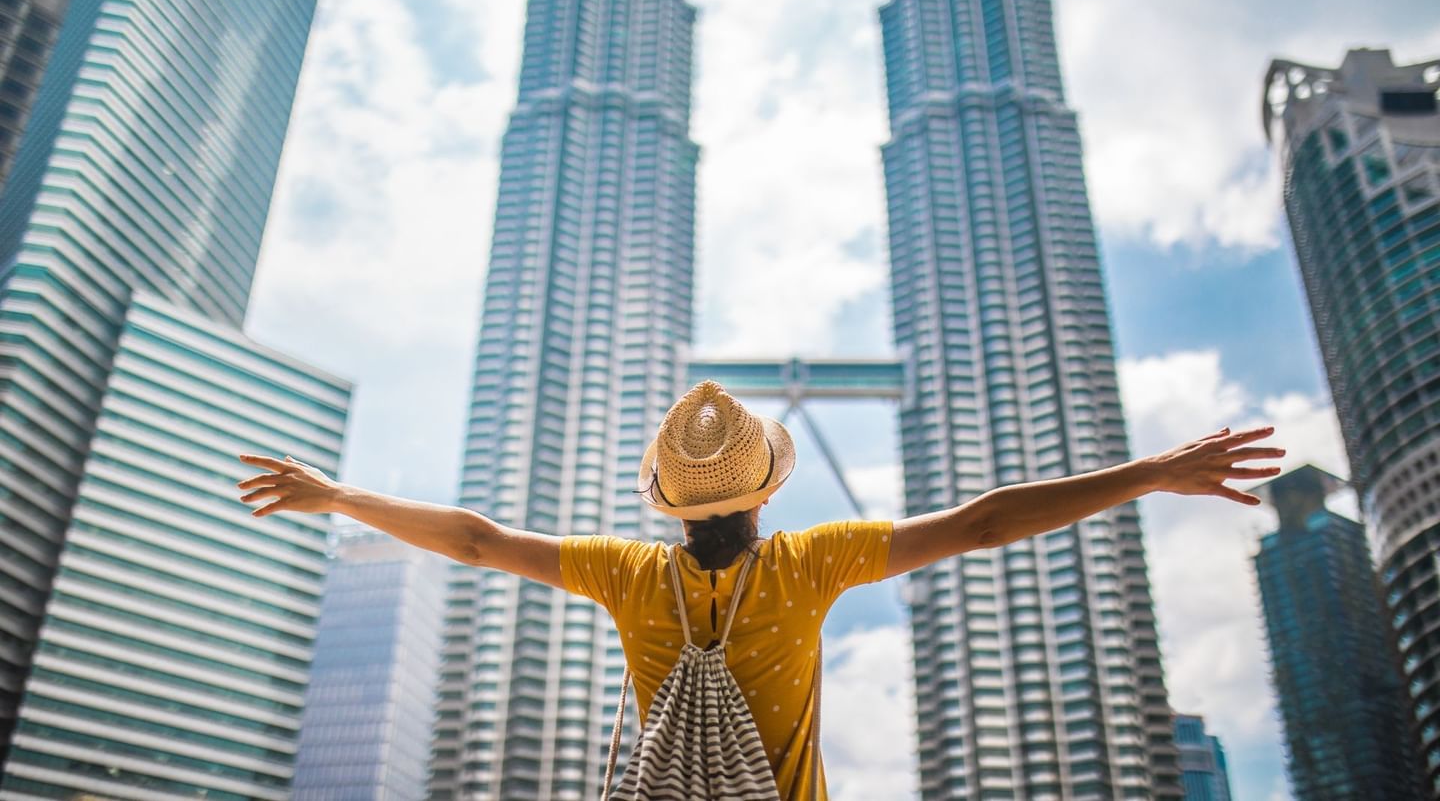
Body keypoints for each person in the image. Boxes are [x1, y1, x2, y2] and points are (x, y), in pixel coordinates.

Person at [236, 379, 1284, 800]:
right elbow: (986, 522)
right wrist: (1151, 471)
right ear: (767, 486)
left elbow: (475, 539)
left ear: (671, 503)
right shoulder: (809, 563)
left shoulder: (628, 574)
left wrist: (340, 495)